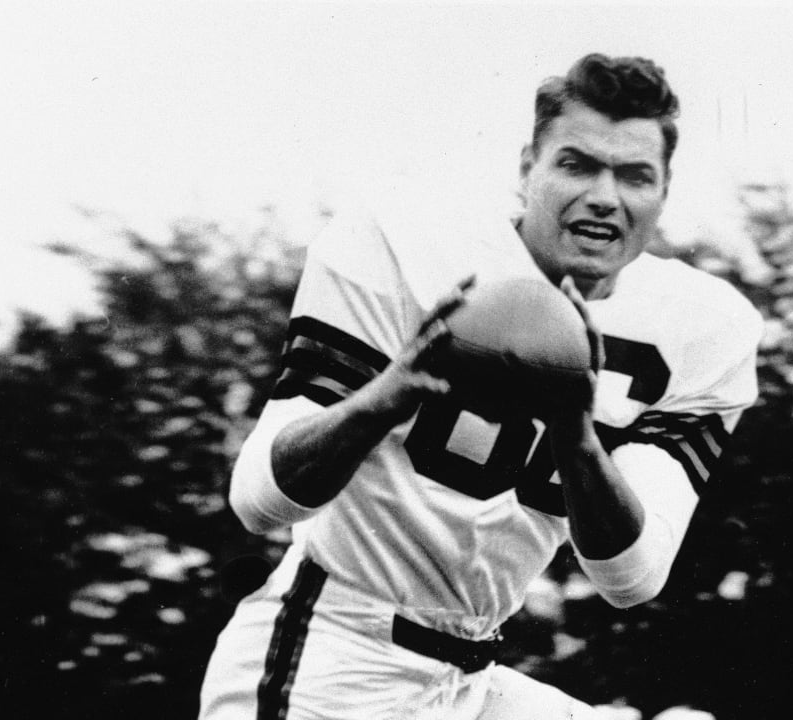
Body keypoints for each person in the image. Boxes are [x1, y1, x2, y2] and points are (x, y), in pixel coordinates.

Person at [198, 53, 762, 720]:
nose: (605, 197)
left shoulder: (706, 328)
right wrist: (389, 394)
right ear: (529, 169)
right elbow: (259, 501)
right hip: (331, 656)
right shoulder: (399, 242)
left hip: (468, 675)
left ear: (663, 194)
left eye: (634, 175)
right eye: (577, 164)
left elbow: (632, 578)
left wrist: (576, 438)